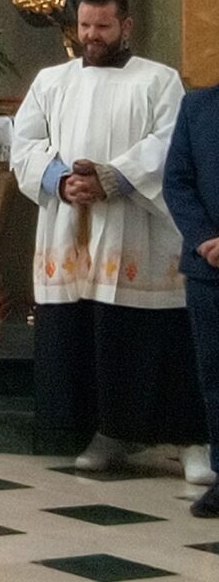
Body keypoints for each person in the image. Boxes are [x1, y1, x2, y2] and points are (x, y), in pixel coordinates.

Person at [10, 0, 208, 481]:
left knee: (153, 339)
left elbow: (169, 145)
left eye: (102, 26)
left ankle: (190, 439)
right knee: (90, 336)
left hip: (137, 228)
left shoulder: (158, 80)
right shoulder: (52, 81)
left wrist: (112, 177)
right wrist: (61, 180)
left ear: (126, 26)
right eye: (84, 27)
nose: (91, 37)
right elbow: (25, 143)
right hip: (71, 228)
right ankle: (109, 432)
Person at [164, 81, 219, 515]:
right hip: (208, 268)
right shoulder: (197, 106)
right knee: (215, 378)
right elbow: (177, 181)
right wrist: (204, 239)